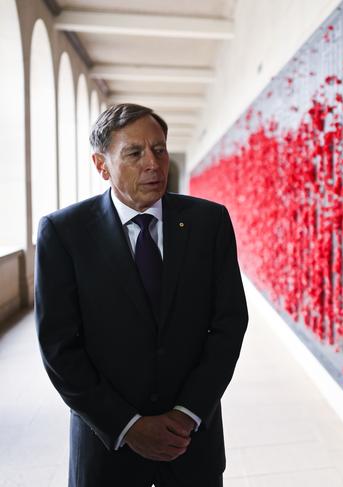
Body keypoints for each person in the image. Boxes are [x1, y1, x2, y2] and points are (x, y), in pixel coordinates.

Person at [34, 103, 248, 487]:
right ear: (102, 165)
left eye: (160, 149)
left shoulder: (209, 223)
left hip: (191, 445)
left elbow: (229, 324)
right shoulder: (64, 233)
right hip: (108, 448)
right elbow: (59, 346)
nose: (153, 163)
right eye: (134, 153)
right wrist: (128, 426)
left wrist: (187, 413)